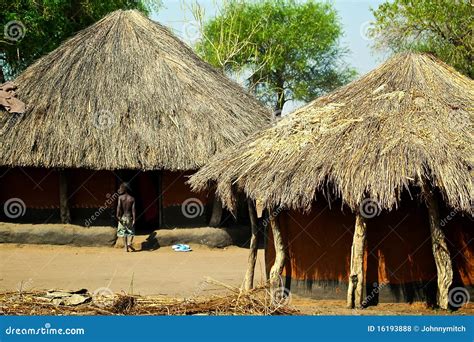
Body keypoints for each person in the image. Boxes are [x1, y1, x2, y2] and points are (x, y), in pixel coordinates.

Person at [116, 182, 136, 252]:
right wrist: (134, 219)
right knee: (131, 231)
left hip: (123, 217)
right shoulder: (132, 199)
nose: (120, 189)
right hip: (129, 217)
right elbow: (133, 210)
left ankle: (125, 247)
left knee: (123, 232)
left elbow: (118, 207)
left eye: (121, 188)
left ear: (124, 189)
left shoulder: (120, 198)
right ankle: (129, 243)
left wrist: (117, 216)